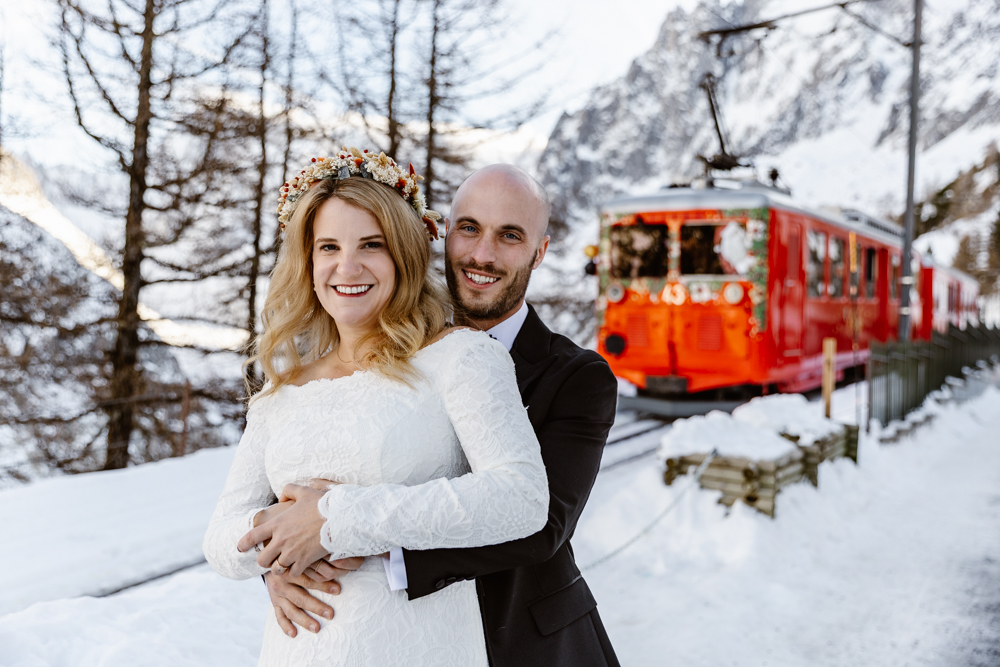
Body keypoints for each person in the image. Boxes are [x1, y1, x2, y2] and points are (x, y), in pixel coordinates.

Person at [265, 164, 622, 667]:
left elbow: (543, 526)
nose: (482, 255)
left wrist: (345, 532)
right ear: (444, 232)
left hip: (525, 641)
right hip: (394, 642)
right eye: (469, 228)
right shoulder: (383, 351)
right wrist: (281, 559)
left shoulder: (578, 377)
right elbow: (295, 491)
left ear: (539, 252)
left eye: (510, 236)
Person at [202, 149, 549, 666]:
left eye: (371, 244)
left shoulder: (461, 358)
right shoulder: (281, 392)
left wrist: (334, 518)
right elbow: (220, 539)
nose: (348, 267)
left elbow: (521, 498)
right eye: (328, 247)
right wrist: (277, 547)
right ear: (308, 262)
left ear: (402, 256)